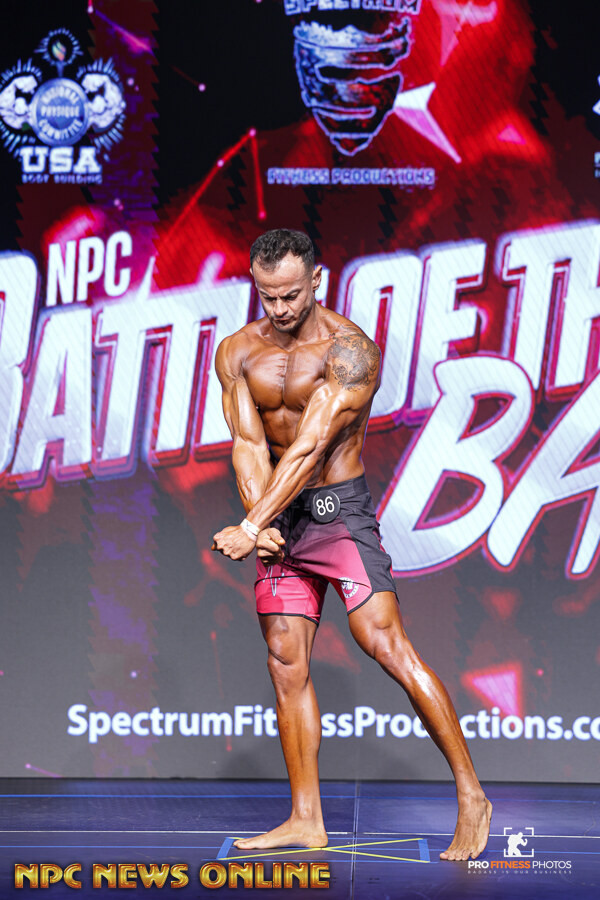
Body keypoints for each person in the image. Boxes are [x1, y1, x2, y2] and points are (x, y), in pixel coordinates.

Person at [211, 228, 492, 861]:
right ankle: (306, 819)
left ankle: (472, 794)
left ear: (316, 280)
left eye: (290, 294)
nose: (280, 308)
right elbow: (248, 444)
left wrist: (252, 526)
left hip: (337, 516)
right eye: (267, 296)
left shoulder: (351, 352)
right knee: (285, 661)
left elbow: (310, 446)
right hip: (279, 520)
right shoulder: (237, 351)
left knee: (385, 645)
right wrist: (262, 521)